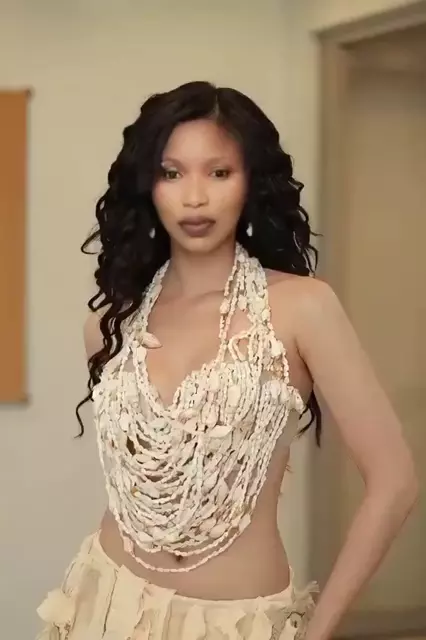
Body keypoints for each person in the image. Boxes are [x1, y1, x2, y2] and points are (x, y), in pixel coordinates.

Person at [36, 81, 418, 640]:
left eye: (219, 173)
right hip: (104, 608)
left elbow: (395, 481)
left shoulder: (302, 308)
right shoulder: (110, 324)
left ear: (250, 183)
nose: (195, 197)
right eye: (172, 173)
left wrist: (317, 633)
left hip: (237, 624)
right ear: (148, 186)